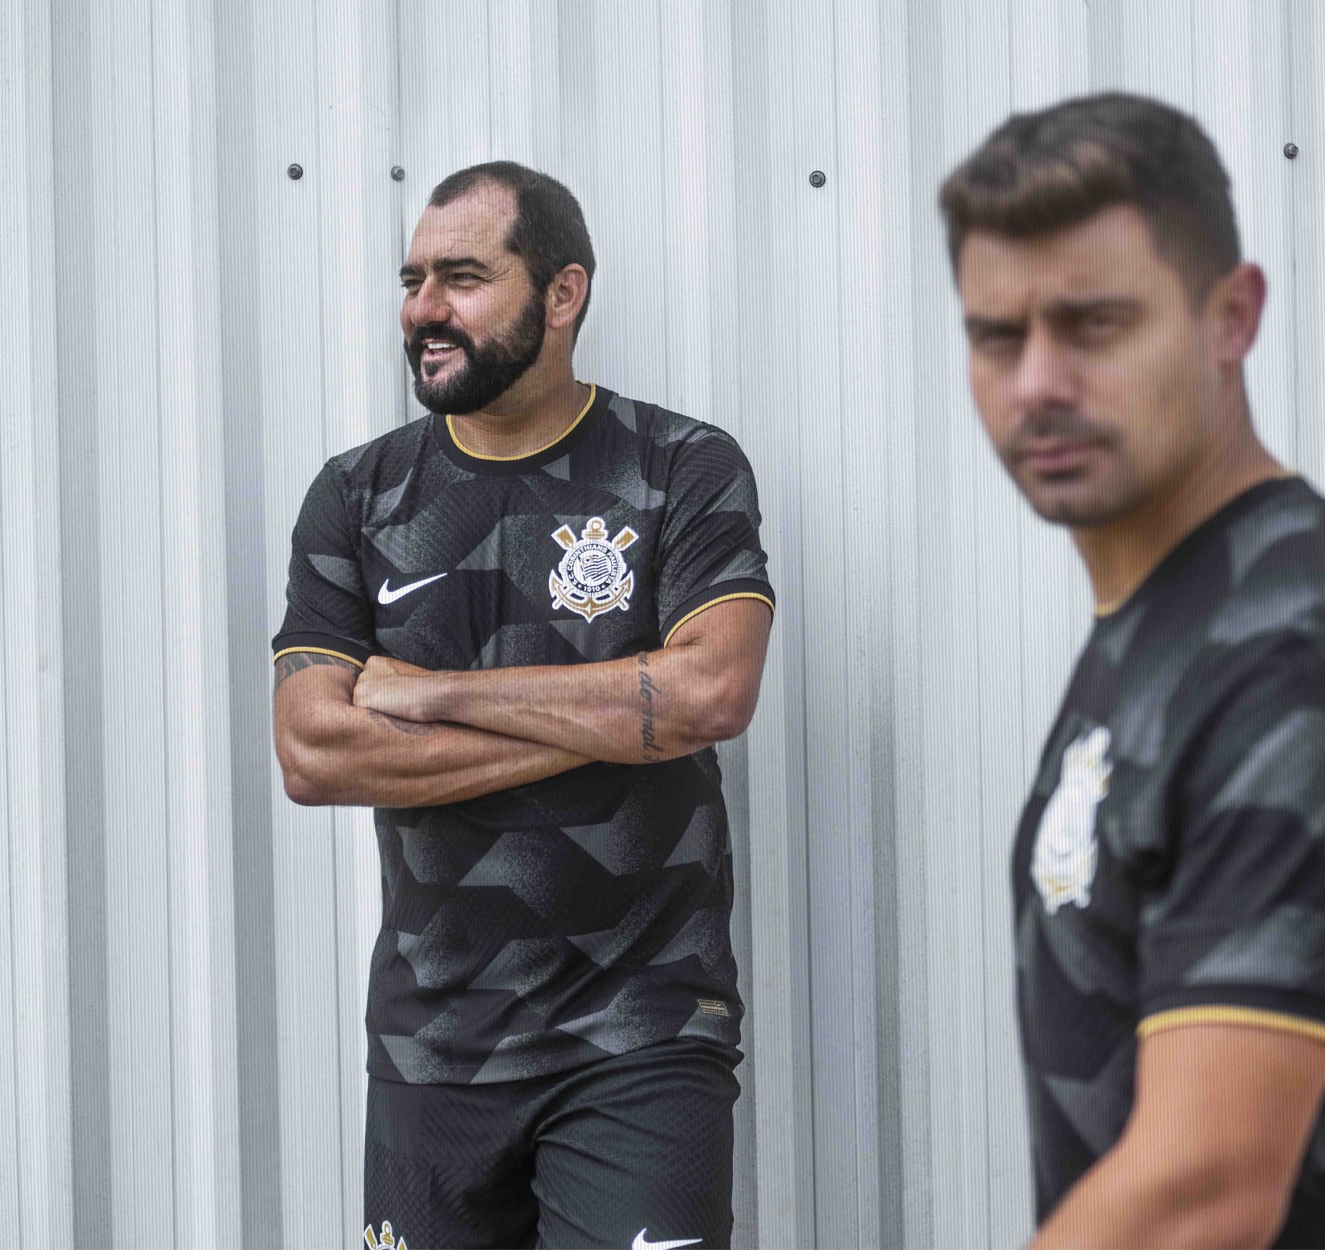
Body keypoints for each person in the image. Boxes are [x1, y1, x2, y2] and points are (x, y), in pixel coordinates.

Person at [940, 93, 1325, 1249]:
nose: (1037, 381)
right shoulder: (1169, 618)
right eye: (997, 335)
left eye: (1094, 324)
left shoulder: (1304, 655)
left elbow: (1201, 1193)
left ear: (1232, 315)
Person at [270, 160, 773, 1250]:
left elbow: (712, 689)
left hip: (641, 1030)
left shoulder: (679, 468)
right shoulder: (359, 495)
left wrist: (430, 695)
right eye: (412, 281)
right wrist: (617, 713)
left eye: (462, 278)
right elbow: (314, 751)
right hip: (432, 1046)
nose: (423, 310)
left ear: (562, 294)